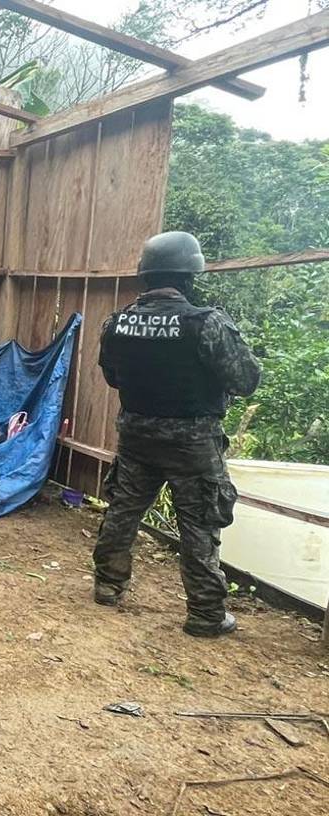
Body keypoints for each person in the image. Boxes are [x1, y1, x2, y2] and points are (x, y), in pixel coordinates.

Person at [94, 231, 261, 637]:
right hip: (193, 443)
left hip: (136, 435)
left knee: (124, 510)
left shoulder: (118, 323)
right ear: (190, 277)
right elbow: (245, 380)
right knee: (199, 523)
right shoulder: (206, 323)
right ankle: (205, 613)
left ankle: (107, 584)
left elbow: (114, 377)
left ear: (145, 277)